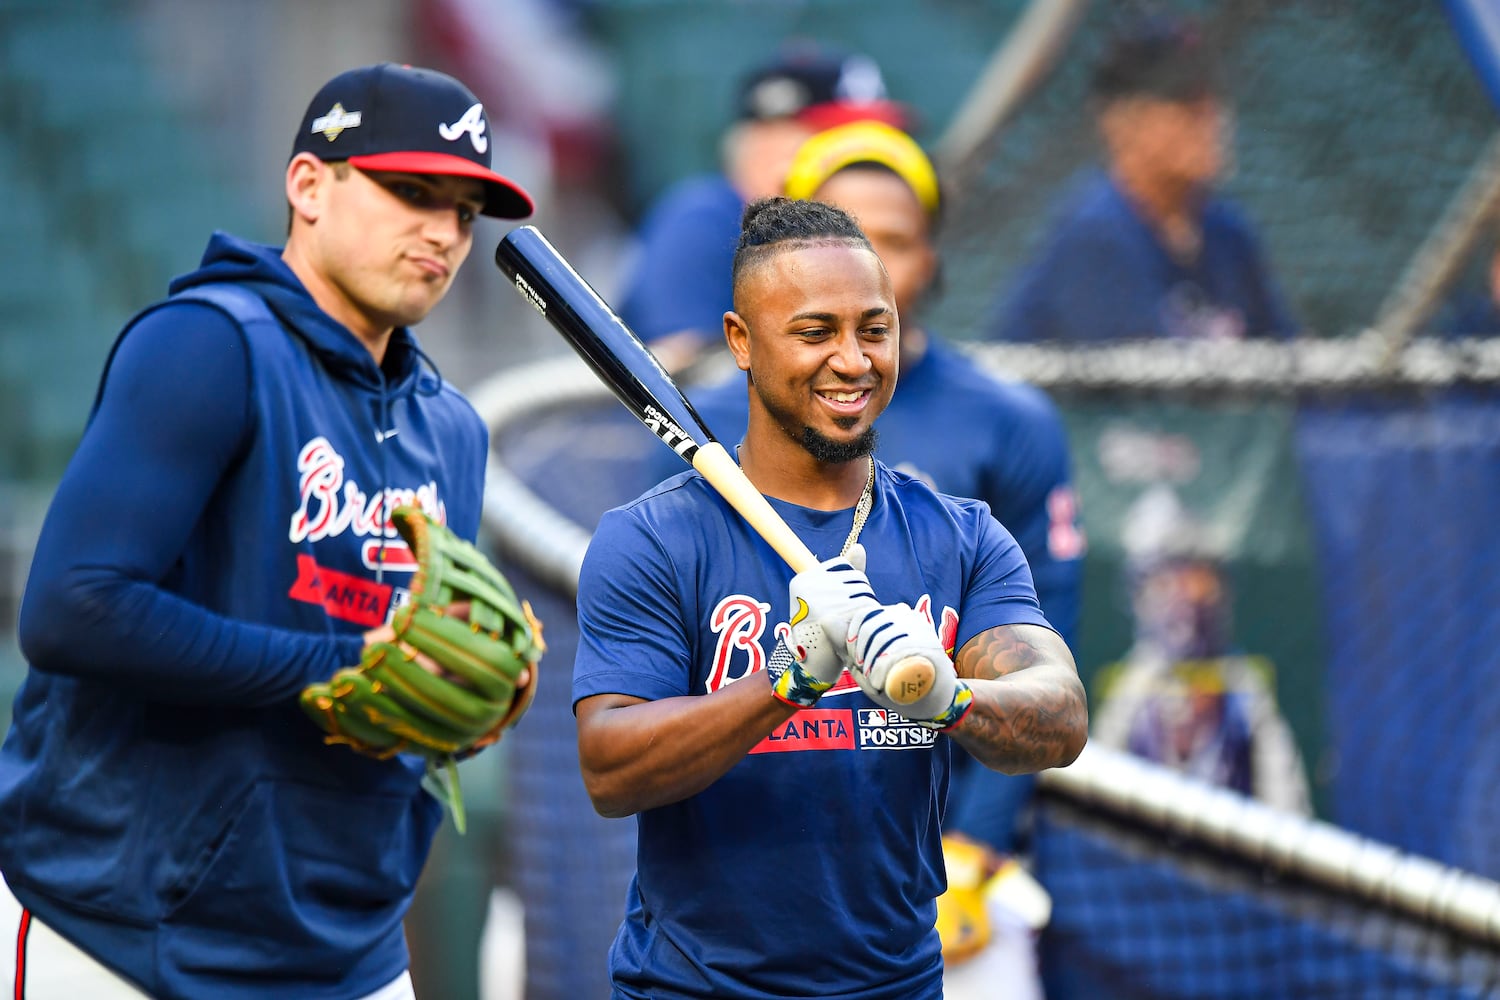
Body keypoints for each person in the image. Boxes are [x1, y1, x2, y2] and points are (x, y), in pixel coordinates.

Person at [0, 63, 536, 999]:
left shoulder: (451, 426)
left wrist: (464, 706)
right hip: (122, 930)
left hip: (347, 944)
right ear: (309, 186)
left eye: (464, 210)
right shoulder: (207, 344)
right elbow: (71, 608)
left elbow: (405, 670)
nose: (443, 232)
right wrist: (337, 667)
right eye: (411, 191)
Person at [574, 195, 1088, 999]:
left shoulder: (959, 537)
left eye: (872, 329)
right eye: (815, 332)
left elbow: (1059, 716)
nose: (852, 360)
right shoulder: (655, 540)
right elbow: (609, 768)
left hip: (899, 984)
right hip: (696, 987)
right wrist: (785, 685)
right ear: (742, 342)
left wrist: (950, 698)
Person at [987, 14, 1298, 342]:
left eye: (1212, 100)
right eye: (1184, 104)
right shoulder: (1097, 234)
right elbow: (1147, 390)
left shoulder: (1227, 233)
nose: (1211, 119)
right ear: (1121, 124)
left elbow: (1296, 366)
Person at [615, 42, 908, 372]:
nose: (867, 157)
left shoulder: (843, 234)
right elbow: (683, 371)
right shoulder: (703, 220)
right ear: (768, 145)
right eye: (842, 139)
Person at [1091, 486, 1311, 813]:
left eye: (1196, 582)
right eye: (1165, 584)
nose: (1183, 599)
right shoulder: (1133, 685)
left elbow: (1288, 802)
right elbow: (1097, 789)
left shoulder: (1242, 686)